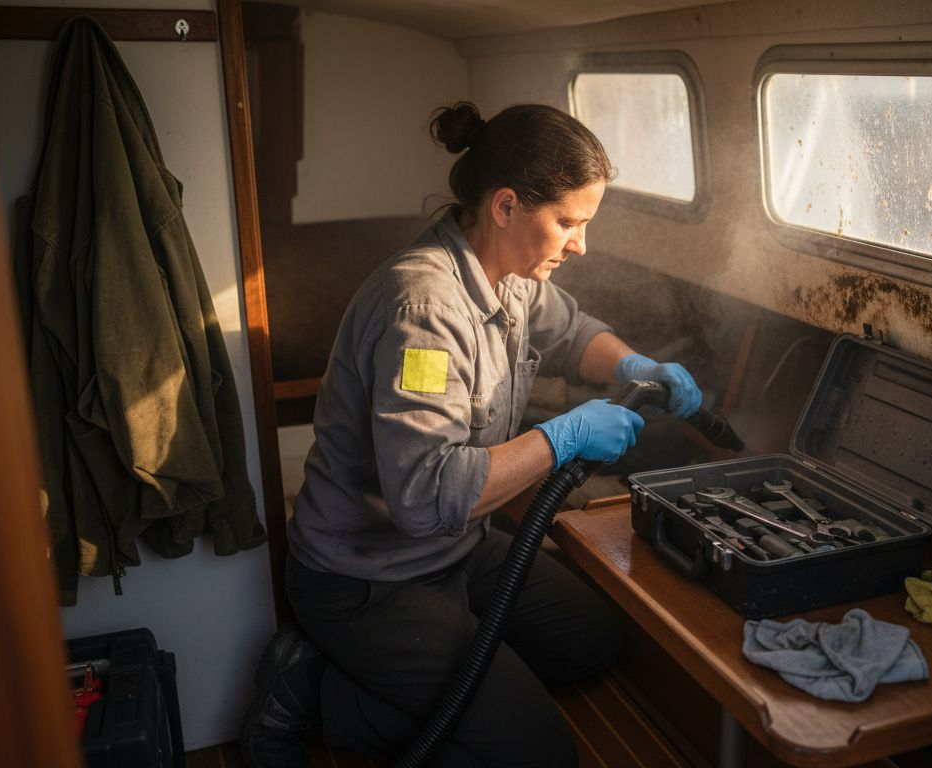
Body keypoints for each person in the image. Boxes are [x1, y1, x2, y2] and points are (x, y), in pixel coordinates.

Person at [239, 101, 704, 767]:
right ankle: (314, 689)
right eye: (568, 222)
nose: (581, 244)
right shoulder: (423, 314)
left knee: (592, 641)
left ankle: (456, 666)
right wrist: (565, 435)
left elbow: (570, 333)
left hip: (455, 550)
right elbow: (425, 499)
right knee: (538, 753)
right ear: (507, 206)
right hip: (370, 579)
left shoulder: (506, 271)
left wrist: (636, 364)